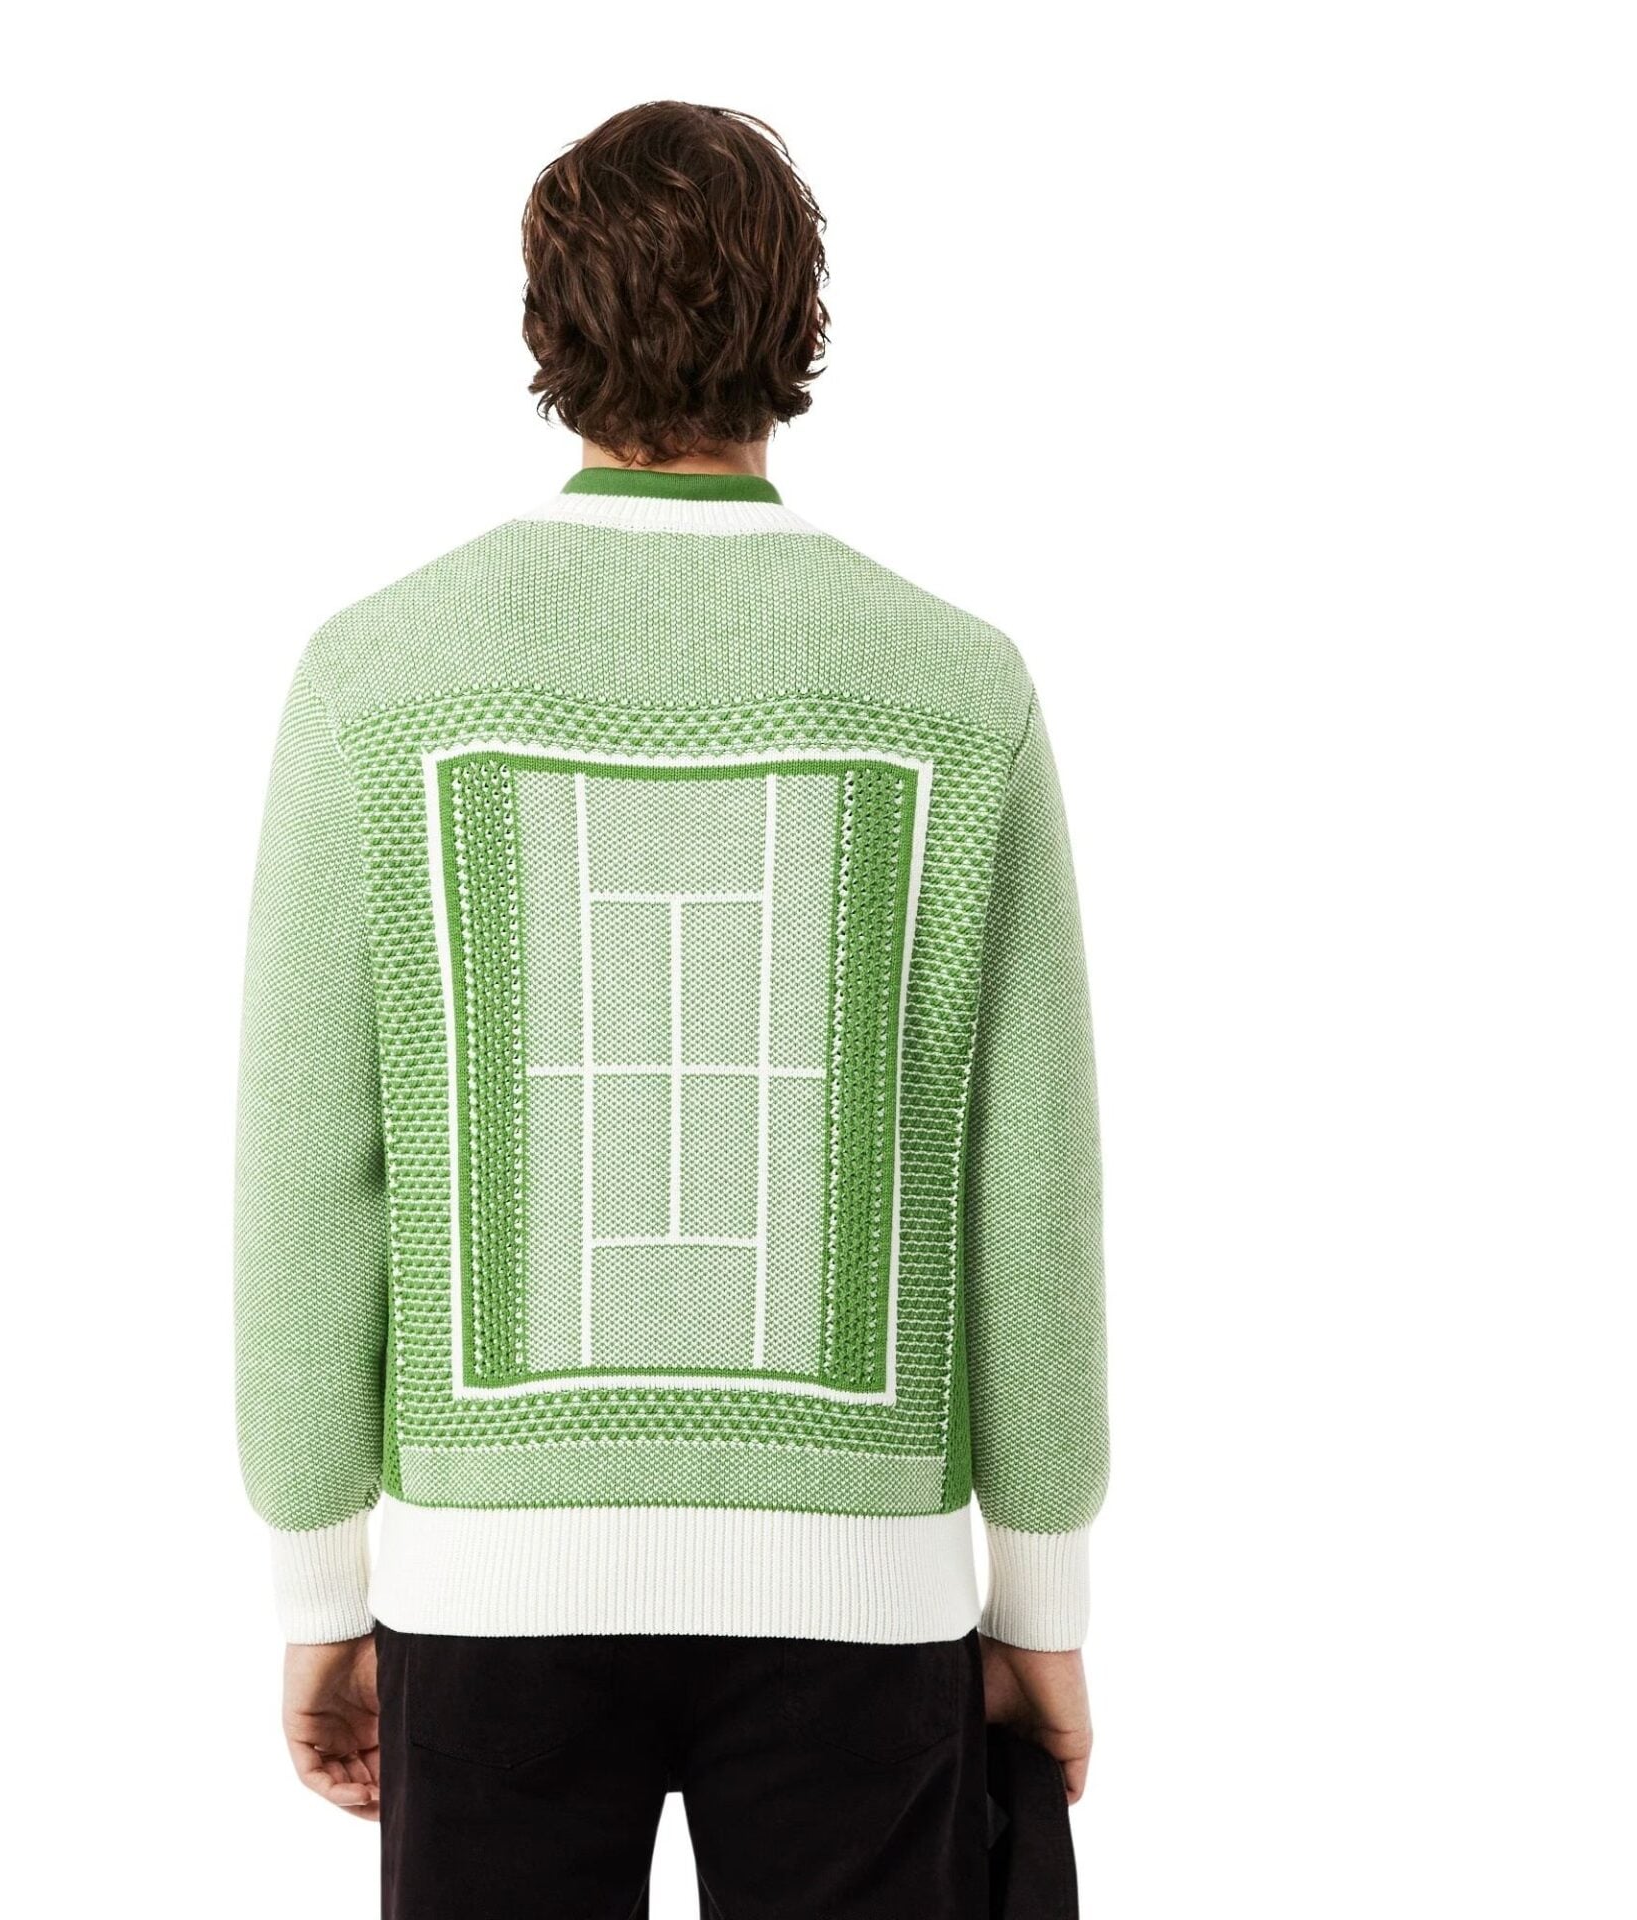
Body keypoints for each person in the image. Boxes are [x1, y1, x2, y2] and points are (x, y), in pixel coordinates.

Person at [234, 99, 1109, 1919]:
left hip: (491, 1582)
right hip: (862, 1591)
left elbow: (309, 1169)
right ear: (802, 321)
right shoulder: (958, 689)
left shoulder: (376, 679)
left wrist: (320, 1584)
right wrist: (1041, 1605)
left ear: (543, 321)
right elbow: (1028, 1195)